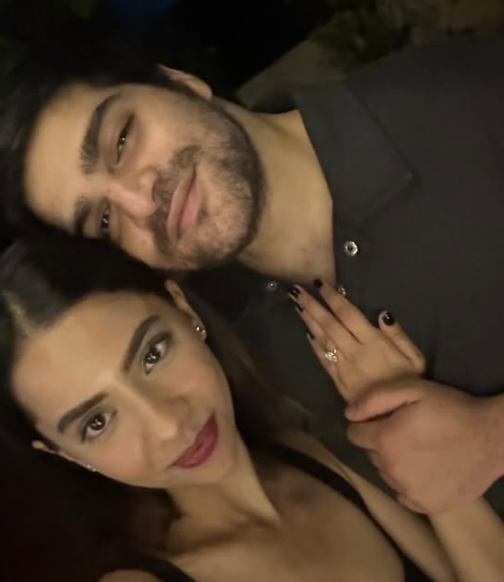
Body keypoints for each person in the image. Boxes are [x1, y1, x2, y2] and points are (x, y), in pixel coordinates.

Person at [2, 29, 504, 515]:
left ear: (178, 81)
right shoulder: (212, 343)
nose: (142, 199)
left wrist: (491, 436)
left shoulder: (460, 99)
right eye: (103, 220)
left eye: (121, 140)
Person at [0, 232, 504, 582]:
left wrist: (402, 419)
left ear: (184, 311)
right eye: (96, 422)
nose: (169, 424)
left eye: (153, 354)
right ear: (61, 453)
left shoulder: (305, 455)